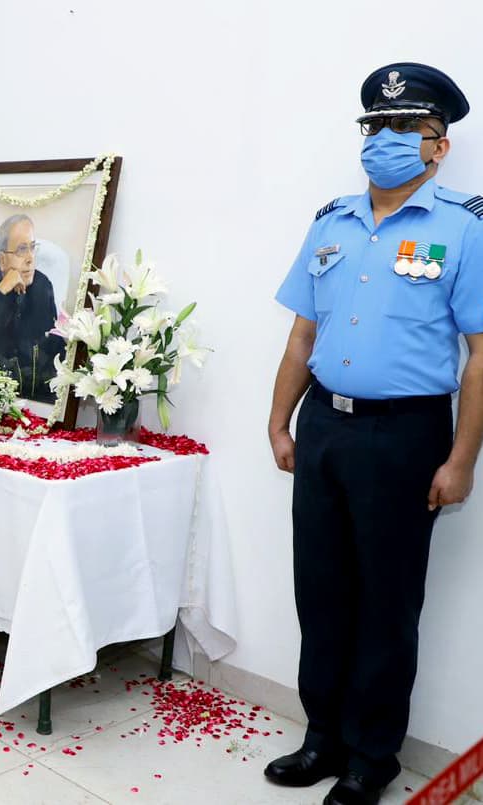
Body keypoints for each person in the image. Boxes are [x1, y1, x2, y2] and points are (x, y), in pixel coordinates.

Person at [266, 63, 483, 805]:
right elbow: (301, 336)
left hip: (406, 436)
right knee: (320, 591)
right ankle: (322, 735)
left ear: (438, 146)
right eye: (376, 127)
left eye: (404, 128)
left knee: (388, 601)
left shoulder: (464, 227)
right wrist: (279, 420)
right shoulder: (332, 222)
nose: (385, 140)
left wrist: (462, 458)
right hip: (324, 424)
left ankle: (373, 754)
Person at [0, 214, 65, 402]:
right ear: (2, 260)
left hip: (43, 403)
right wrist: (0, 293)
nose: (30, 258)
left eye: (32, 248)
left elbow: (55, 350)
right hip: (0, 404)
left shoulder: (43, 285)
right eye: (21, 250)